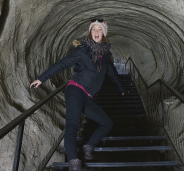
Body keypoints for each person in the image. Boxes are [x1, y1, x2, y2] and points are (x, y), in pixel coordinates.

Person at [30, 18, 124, 171]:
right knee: (73, 124)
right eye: (93, 29)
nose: (96, 32)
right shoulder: (82, 50)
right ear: (90, 32)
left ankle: (89, 145)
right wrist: (42, 78)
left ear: (104, 33)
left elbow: (112, 73)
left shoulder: (106, 56)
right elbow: (62, 64)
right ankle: (74, 164)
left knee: (107, 123)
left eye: (99, 29)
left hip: (87, 96)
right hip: (75, 89)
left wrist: (121, 89)